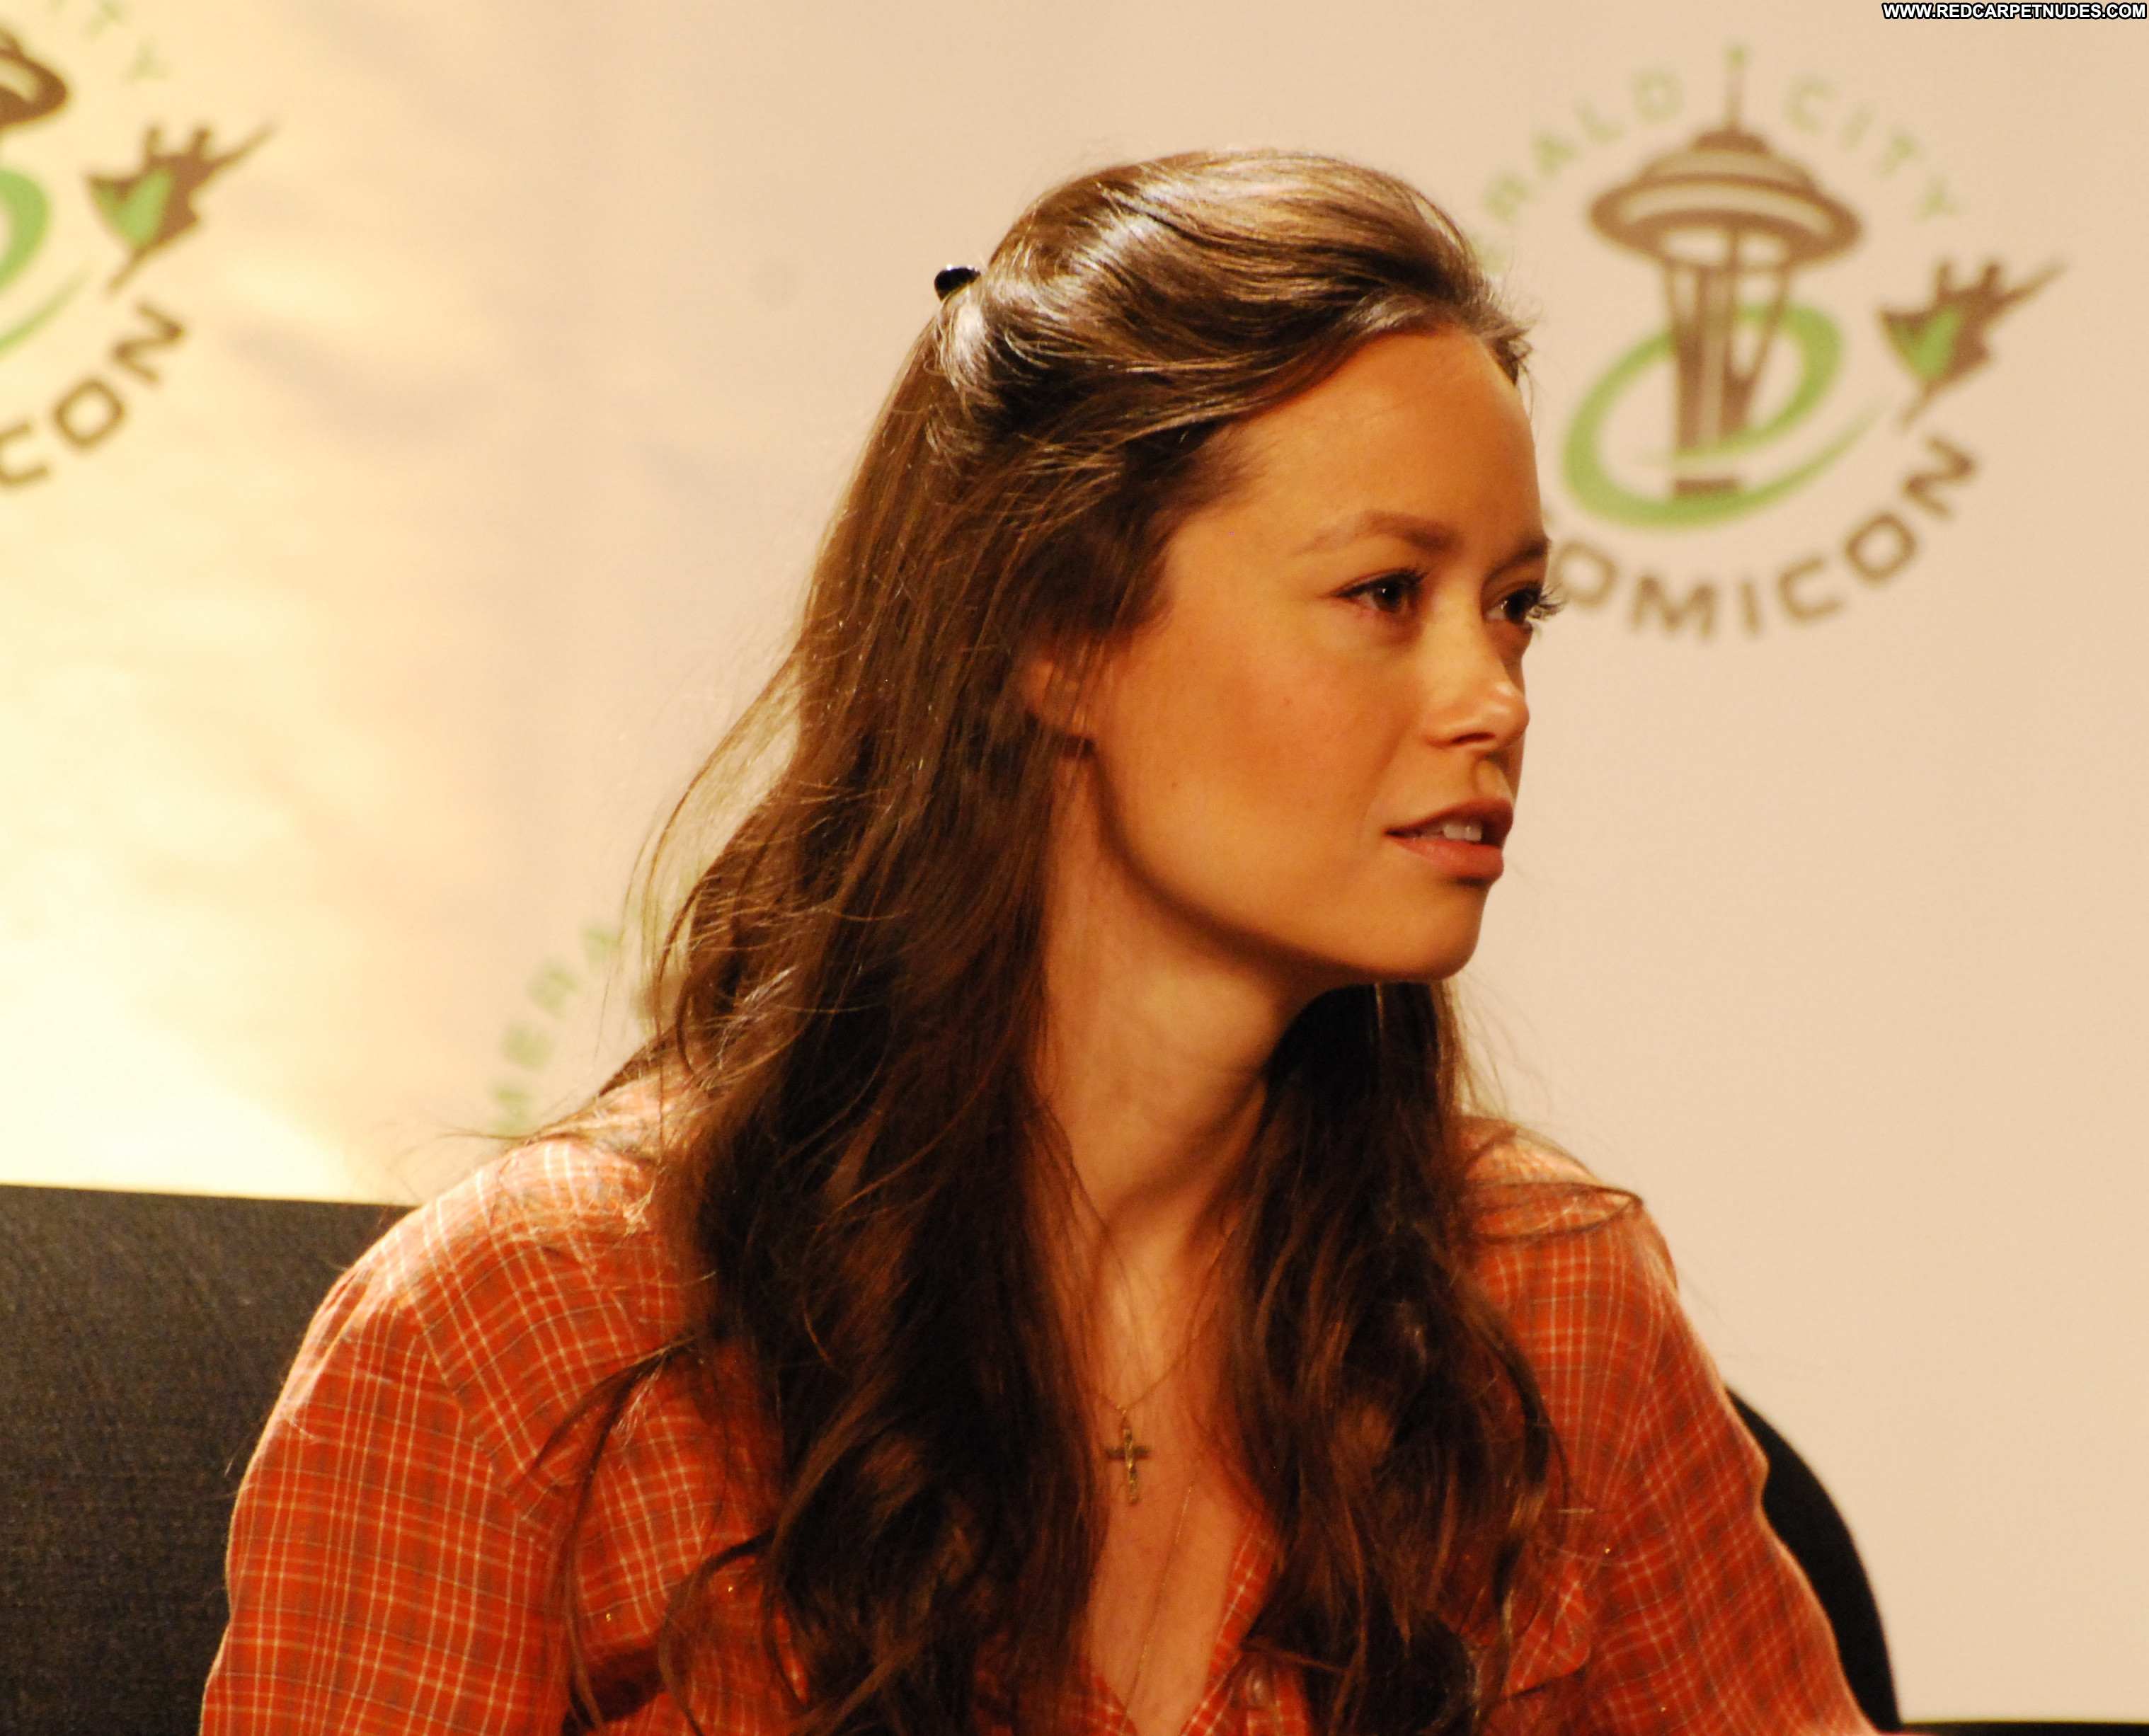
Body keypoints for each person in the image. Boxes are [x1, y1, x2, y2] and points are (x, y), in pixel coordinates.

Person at [202, 149, 1874, 1736]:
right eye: (1386, 596)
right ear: (1057, 632)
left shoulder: (1550, 1294)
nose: (1491, 698)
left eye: (1516, 609)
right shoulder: (525, 1329)